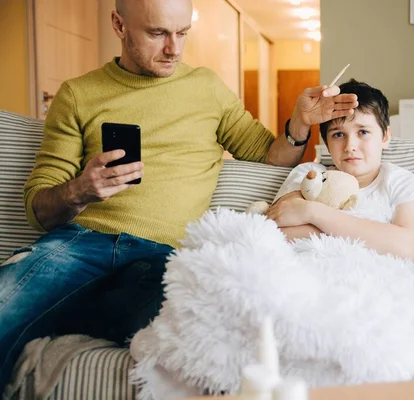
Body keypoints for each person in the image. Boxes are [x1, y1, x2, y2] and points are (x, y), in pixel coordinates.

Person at [0, 0, 358, 391]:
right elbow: (39, 208)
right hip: (77, 245)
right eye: (158, 34)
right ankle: (64, 307)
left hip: (163, 254)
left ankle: (68, 311)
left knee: (204, 325)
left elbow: (269, 157)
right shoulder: (77, 94)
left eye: (182, 33)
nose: (174, 48)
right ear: (119, 25)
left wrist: (299, 123)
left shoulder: (206, 88)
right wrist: (78, 190)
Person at [266, 79, 414, 261]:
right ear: (327, 144)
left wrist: (312, 212)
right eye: (338, 135)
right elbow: (276, 231)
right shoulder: (310, 175)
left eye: (363, 132)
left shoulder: (401, 182)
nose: (350, 146)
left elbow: (407, 248)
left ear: (385, 136)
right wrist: (377, 237)